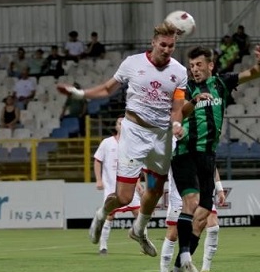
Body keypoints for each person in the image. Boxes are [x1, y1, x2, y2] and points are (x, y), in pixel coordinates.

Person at [55, 21, 187, 257]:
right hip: (134, 133)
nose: (167, 49)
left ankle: (138, 230)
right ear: (153, 42)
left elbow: (177, 107)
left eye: (171, 46)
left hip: (161, 136)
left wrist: (177, 124)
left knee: (155, 190)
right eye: (163, 45)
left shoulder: (179, 71)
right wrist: (80, 94)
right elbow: (108, 89)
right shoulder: (132, 63)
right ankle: (102, 214)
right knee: (124, 197)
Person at [163, 44, 260, 272]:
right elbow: (177, 113)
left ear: (210, 65)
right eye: (191, 66)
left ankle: (175, 271)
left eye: (199, 65)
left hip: (208, 156)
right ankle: (185, 258)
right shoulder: (185, 88)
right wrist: (191, 104)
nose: (195, 70)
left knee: (202, 217)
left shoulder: (221, 83)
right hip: (185, 152)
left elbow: (253, 73)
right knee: (191, 202)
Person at [158, 166, 226, 272]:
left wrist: (219, 188)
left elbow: (212, 165)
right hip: (180, 194)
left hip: (203, 192)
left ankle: (205, 270)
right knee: (173, 234)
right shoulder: (175, 153)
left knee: (213, 227)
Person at [93, 117, 144, 254]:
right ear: (116, 126)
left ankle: (143, 243)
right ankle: (103, 246)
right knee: (109, 216)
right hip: (111, 187)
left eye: (124, 123)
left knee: (139, 214)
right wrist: (98, 179)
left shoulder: (132, 144)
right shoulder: (107, 143)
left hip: (129, 186)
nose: (122, 125)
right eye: (119, 123)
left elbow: (134, 165)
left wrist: (138, 182)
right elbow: (97, 161)